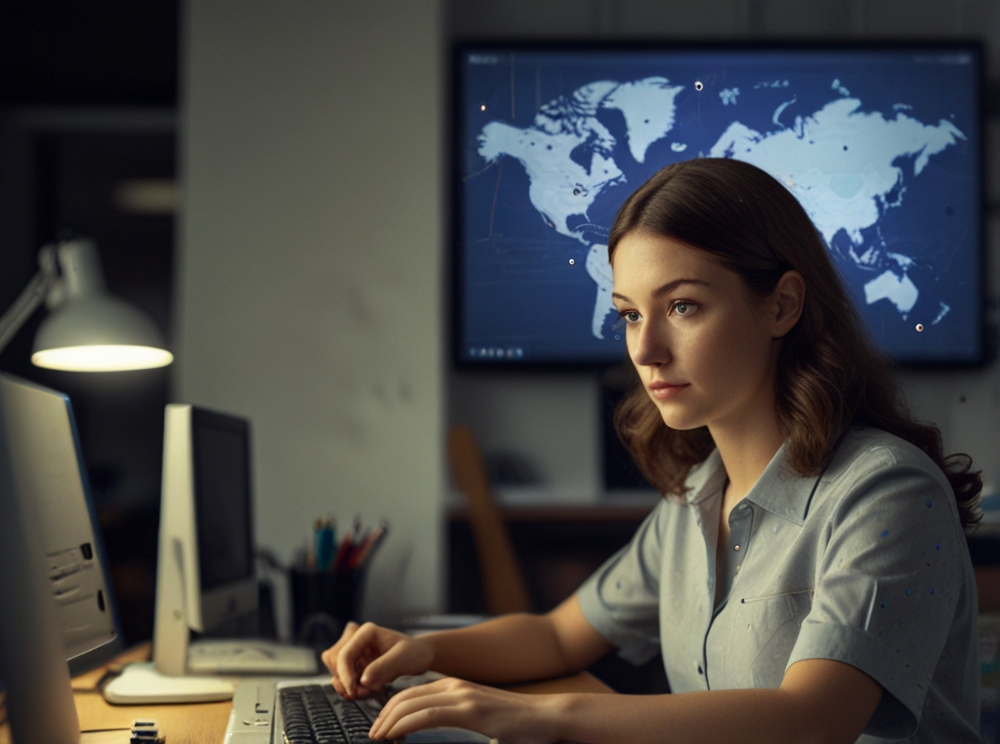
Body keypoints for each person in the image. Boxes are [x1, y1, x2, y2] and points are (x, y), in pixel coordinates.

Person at [322, 158, 984, 744]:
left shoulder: (887, 493)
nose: (644, 350)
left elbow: (812, 723)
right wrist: (418, 650)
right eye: (631, 314)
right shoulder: (701, 494)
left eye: (684, 307)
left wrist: (545, 719)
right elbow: (557, 636)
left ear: (781, 305)